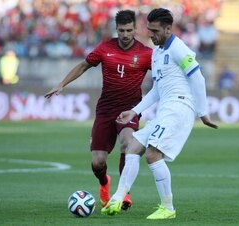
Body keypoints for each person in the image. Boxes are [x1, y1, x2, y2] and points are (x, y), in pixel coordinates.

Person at [101, 8, 218, 220]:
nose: (151, 35)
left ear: (168, 28)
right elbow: (157, 89)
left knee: (153, 153)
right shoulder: (157, 53)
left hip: (179, 108)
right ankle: (117, 197)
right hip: (166, 108)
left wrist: (202, 113)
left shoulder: (178, 49)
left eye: (155, 31)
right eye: (149, 30)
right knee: (133, 147)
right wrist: (134, 111)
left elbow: (197, 78)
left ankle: (168, 208)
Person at [44, 10, 152, 209]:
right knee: (98, 162)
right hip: (105, 109)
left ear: (135, 29)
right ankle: (104, 183)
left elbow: (163, 75)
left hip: (129, 110)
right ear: (116, 29)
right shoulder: (105, 48)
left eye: (129, 30)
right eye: (122, 30)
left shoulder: (145, 53)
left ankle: (123, 193)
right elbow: (84, 65)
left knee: (128, 145)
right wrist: (62, 84)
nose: (126, 35)